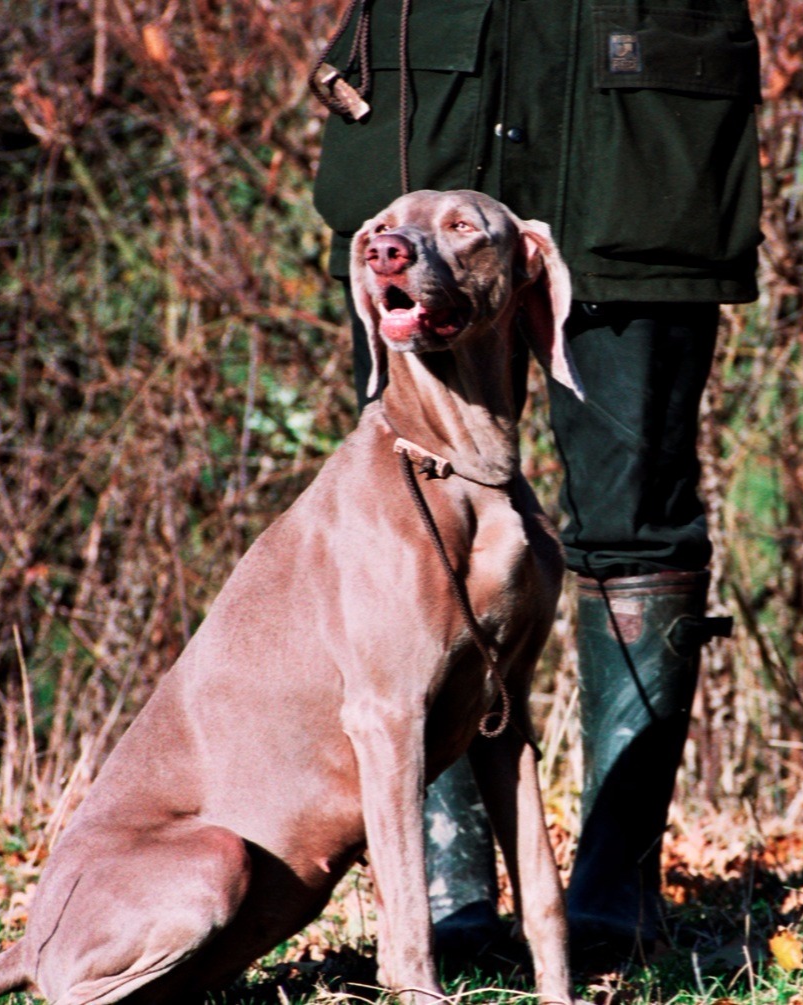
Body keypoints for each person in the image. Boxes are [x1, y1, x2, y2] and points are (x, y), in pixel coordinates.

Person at [309, 0, 761, 959]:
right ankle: (446, 876)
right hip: (429, 99)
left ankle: (616, 879)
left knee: (637, 514)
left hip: (640, 119)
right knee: (414, 503)